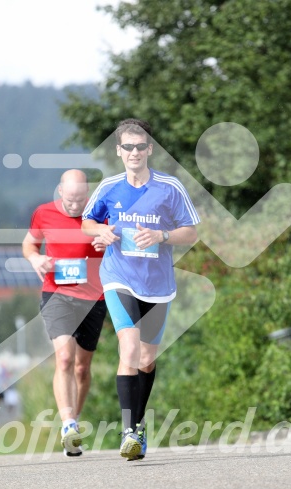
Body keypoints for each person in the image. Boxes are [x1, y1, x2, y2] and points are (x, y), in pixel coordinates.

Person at [82, 118, 200, 461]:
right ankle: (128, 431)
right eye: (127, 147)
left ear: (149, 149)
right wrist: (99, 233)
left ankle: (139, 423)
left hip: (158, 285)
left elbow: (191, 232)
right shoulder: (109, 187)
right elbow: (88, 221)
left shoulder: (170, 187)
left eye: (140, 146)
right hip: (119, 276)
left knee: (147, 360)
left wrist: (162, 235)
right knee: (129, 348)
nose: (134, 152)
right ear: (119, 151)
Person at [22, 169, 107, 457]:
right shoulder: (43, 213)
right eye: (70, 199)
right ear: (60, 191)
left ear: (88, 195)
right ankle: (68, 424)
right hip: (57, 293)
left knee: (82, 368)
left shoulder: (99, 213)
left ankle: (75, 421)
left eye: (80, 199)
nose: (75, 205)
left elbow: (117, 244)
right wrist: (35, 257)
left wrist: (106, 242)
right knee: (65, 357)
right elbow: (29, 243)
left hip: (94, 297)